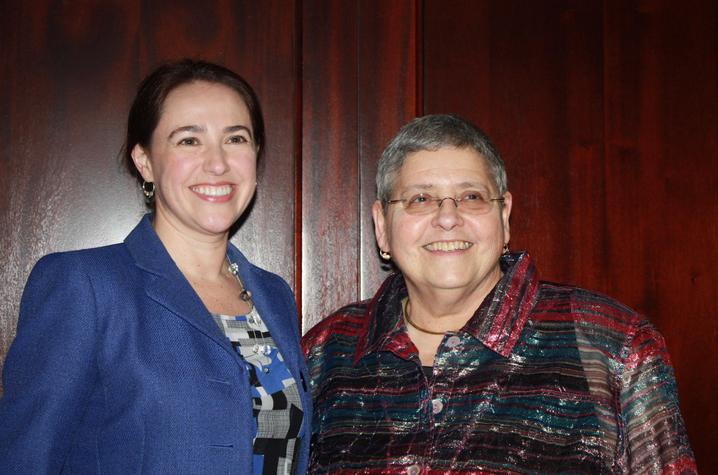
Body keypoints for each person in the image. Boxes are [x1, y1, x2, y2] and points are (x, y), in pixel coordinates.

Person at [302, 114, 696, 474]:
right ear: (382, 225)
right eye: (420, 198)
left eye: (471, 196)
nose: (447, 217)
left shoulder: (614, 346)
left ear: (504, 217)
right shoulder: (323, 354)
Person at [0, 59, 311, 474]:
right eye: (188, 141)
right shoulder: (84, 286)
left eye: (236, 139)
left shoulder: (273, 295)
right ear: (145, 161)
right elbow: (27, 458)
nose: (217, 163)